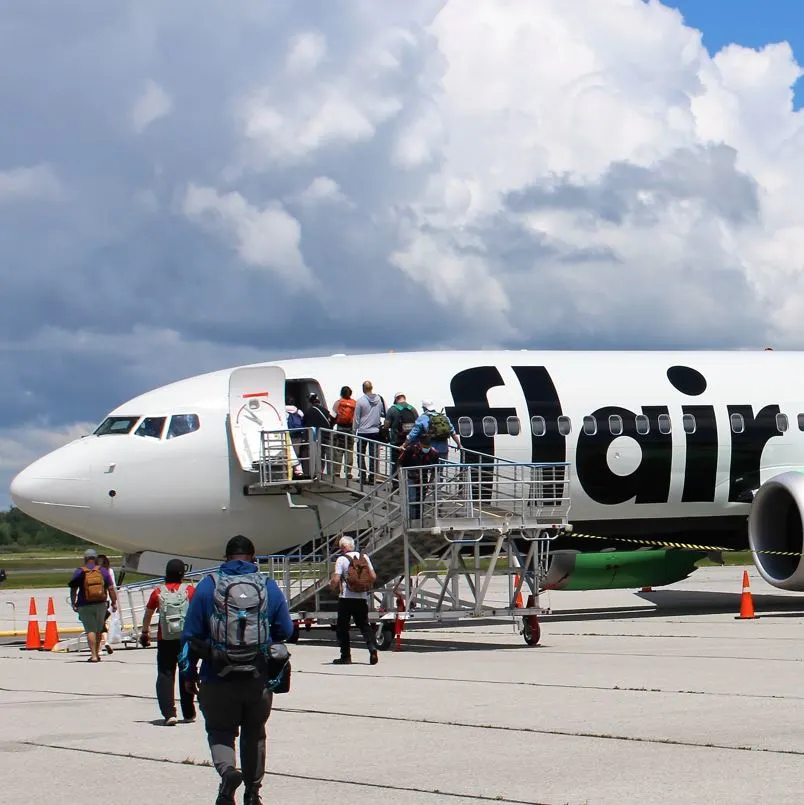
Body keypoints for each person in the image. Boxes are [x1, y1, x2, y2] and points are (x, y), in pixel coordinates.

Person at [181, 535, 293, 805]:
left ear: (225, 558)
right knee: (255, 733)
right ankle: (253, 793)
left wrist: (187, 674)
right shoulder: (267, 586)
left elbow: (190, 635)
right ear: (253, 559)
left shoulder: (208, 587)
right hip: (258, 676)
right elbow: (286, 630)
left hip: (216, 674)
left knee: (220, 730)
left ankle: (228, 772)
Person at [140, 559, 197, 726]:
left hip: (164, 638)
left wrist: (145, 633)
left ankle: (169, 713)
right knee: (185, 672)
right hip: (185, 639)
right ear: (182, 574)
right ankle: (188, 712)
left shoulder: (158, 592)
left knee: (165, 673)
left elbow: (148, 614)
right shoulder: (189, 591)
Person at [329, 536, 379, 666]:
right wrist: (364, 586)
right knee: (364, 625)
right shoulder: (364, 557)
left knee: (342, 628)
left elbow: (336, 579)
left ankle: (346, 656)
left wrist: (332, 587)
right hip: (361, 598)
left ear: (343, 548)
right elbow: (373, 576)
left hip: (346, 599)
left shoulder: (341, 559)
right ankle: (372, 648)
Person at [68, 548, 117, 663]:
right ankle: (98, 653)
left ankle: (93, 655)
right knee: (99, 629)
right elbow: (111, 588)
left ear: (85, 559)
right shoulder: (103, 571)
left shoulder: (79, 571)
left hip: (85, 605)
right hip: (101, 604)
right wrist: (114, 602)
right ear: (95, 559)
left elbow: (73, 588)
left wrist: (73, 602)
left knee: (90, 630)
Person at [398, 433, 441, 520]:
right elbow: (399, 463)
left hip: (423, 479)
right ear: (420, 444)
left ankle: (418, 519)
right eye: (425, 446)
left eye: (428, 446)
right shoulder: (411, 450)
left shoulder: (434, 453)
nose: (426, 448)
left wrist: (430, 482)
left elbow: (435, 469)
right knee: (412, 500)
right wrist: (401, 478)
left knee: (420, 501)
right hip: (410, 477)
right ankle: (410, 520)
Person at [352, 381, 386, 485]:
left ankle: (362, 476)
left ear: (363, 388)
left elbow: (356, 418)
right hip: (375, 431)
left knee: (360, 454)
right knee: (373, 456)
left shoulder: (360, 401)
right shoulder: (379, 400)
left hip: (363, 432)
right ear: (372, 388)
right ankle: (372, 477)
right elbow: (384, 413)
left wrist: (354, 431)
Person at [384, 392, 418, 484]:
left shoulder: (392, 410)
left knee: (396, 465)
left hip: (397, 443)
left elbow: (386, 426)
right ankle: (409, 484)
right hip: (410, 443)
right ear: (404, 398)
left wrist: (385, 433)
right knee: (409, 464)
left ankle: (396, 485)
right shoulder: (413, 409)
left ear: (396, 399)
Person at [332, 385, 356, 480]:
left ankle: (337, 472)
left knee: (338, 451)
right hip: (350, 430)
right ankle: (349, 472)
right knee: (349, 451)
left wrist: (331, 426)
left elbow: (333, 416)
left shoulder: (338, 403)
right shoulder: (354, 403)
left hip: (340, 429)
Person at [96, 554, 117, 656]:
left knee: (97, 625)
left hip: (95, 600)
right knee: (104, 623)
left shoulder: (93, 571)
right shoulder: (109, 571)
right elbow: (112, 587)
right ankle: (106, 642)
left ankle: (99, 648)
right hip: (106, 600)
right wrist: (114, 602)